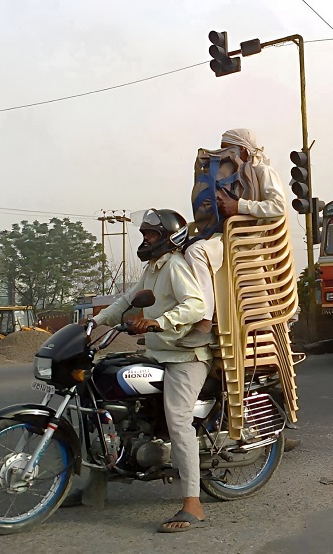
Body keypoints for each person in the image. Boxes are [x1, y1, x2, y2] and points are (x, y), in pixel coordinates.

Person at [90, 209, 212, 533]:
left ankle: (193, 503)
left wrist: (160, 321)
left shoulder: (175, 265)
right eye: (144, 234)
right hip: (161, 352)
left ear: (169, 238)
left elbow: (196, 305)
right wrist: (94, 322)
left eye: (152, 235)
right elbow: (126, 301)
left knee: (178, 420)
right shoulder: (152, 269)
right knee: (105, 397)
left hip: (186, 356)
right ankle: (93, 490)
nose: (145, 240)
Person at [181, 128, 301, 453]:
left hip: (250, 253)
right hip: (232, 249)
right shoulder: (230, 174)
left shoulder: (261, 170)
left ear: (243, 151)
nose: (223, 154)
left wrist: (239, 207)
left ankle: (201, 319)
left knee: (255, 344)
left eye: (228, 149)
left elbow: (278, 207)